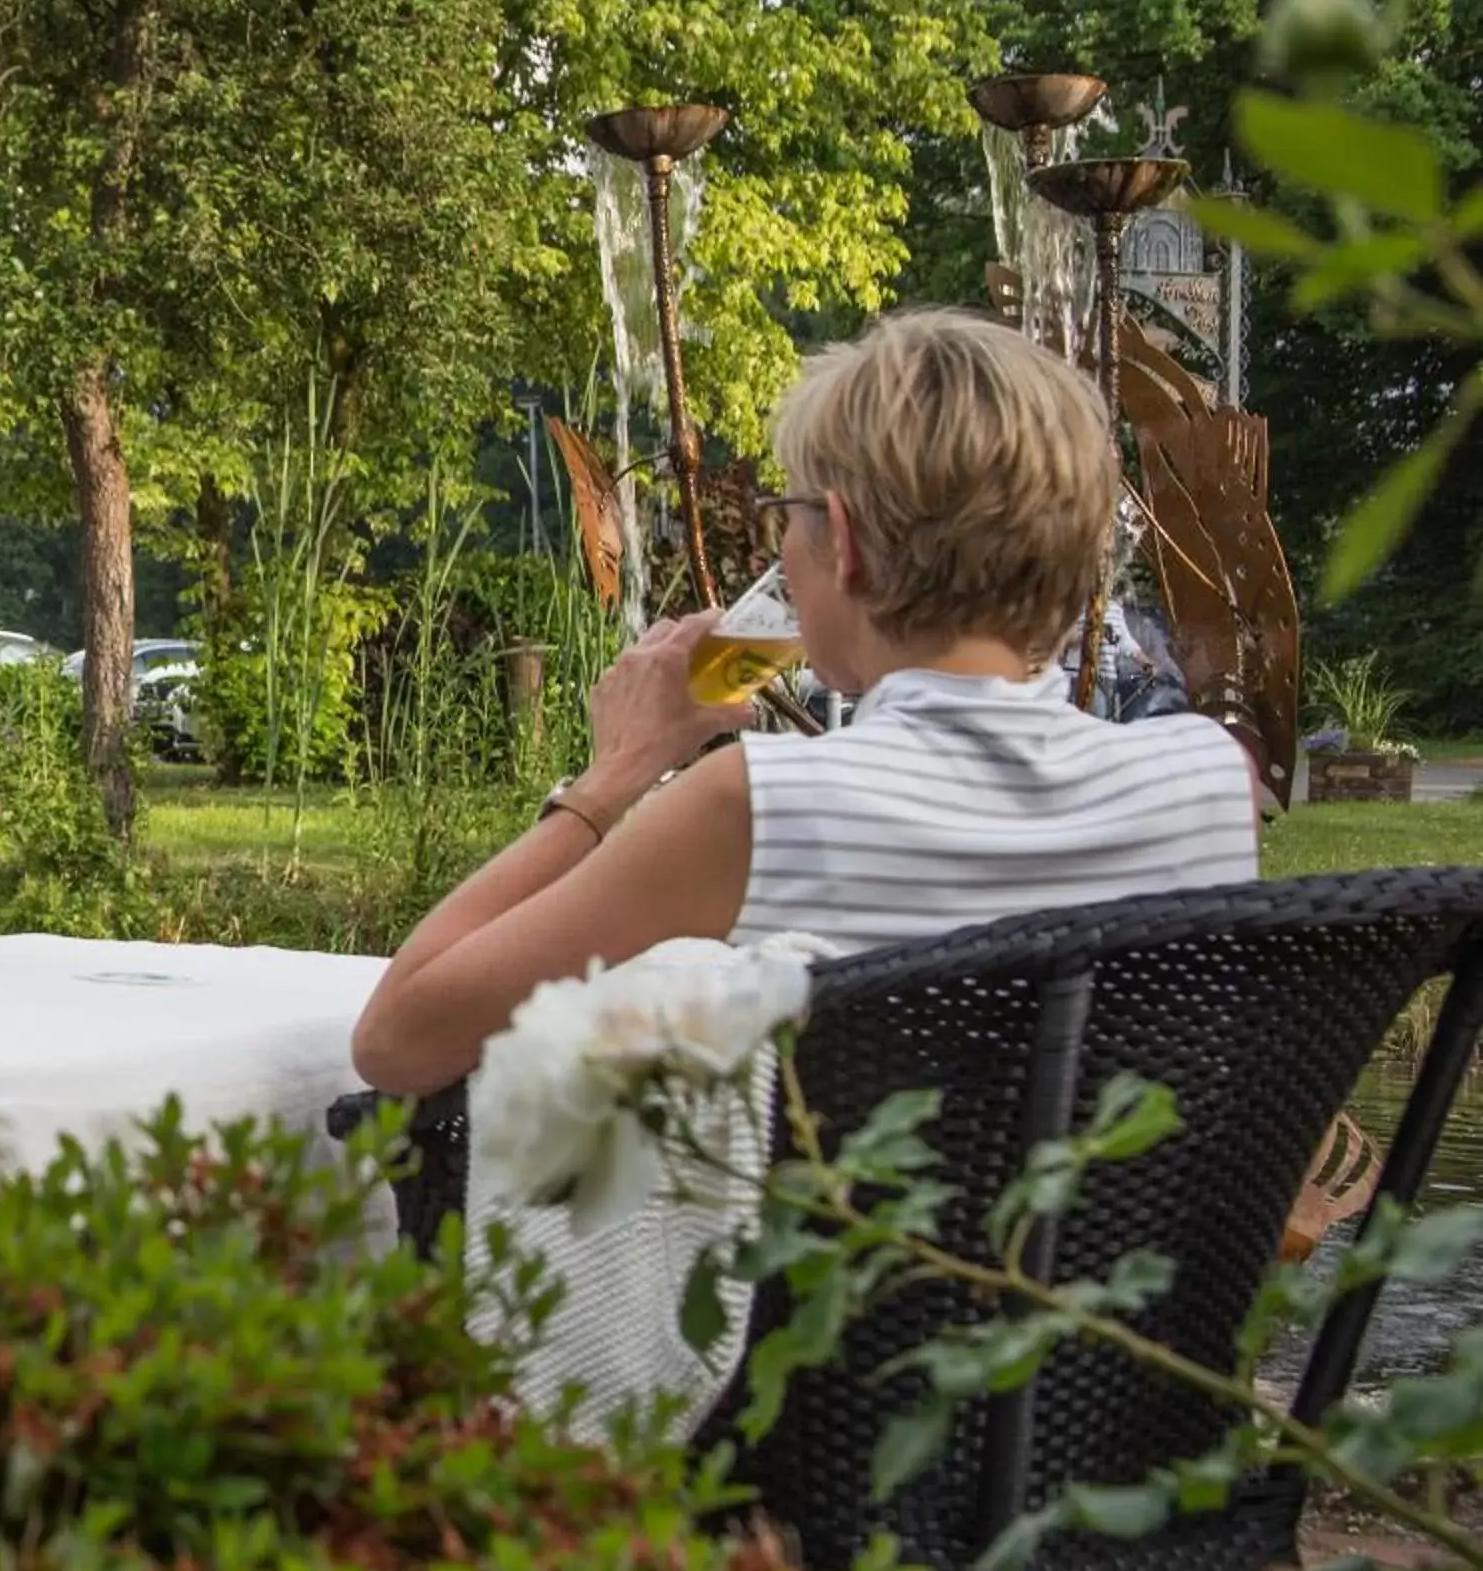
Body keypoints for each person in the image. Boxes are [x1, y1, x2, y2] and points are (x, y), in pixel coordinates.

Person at [352, 306, 1261, 1098]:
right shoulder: (1207, 781)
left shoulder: (753, 806)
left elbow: (398, 1038)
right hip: (1125, 1289)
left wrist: (618, 770)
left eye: (789, 513)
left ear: (848, 548)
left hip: (860, 1296)